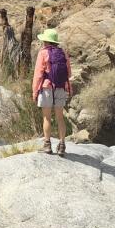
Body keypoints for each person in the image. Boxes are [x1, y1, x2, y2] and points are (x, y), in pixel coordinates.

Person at [32, 28, 72, 156]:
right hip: (60, 87)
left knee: (47, 117)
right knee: (60, 118)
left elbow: (38, 74)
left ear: (45, 41)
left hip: (46, 87)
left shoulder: (43, 53)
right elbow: (69, 73)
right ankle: (61, 145)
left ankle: (47, 145)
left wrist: (34, 92)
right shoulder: (63, 53)